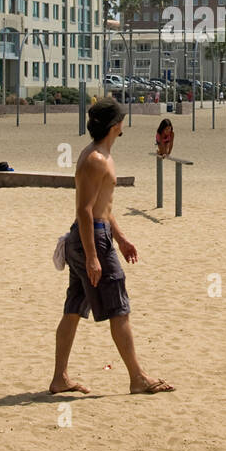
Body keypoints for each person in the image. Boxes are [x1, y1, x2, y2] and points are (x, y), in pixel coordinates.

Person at [50, 98, 173, 396]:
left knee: (73, 308)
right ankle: (138, 378)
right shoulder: (96, 159)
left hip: (93, 235)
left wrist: (122, 238)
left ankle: (60, 378)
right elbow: (85, 211)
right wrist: (93, 256)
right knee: (119, 309)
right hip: (90, 238)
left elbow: (104, 207)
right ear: (115, 125)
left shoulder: (101, 154)